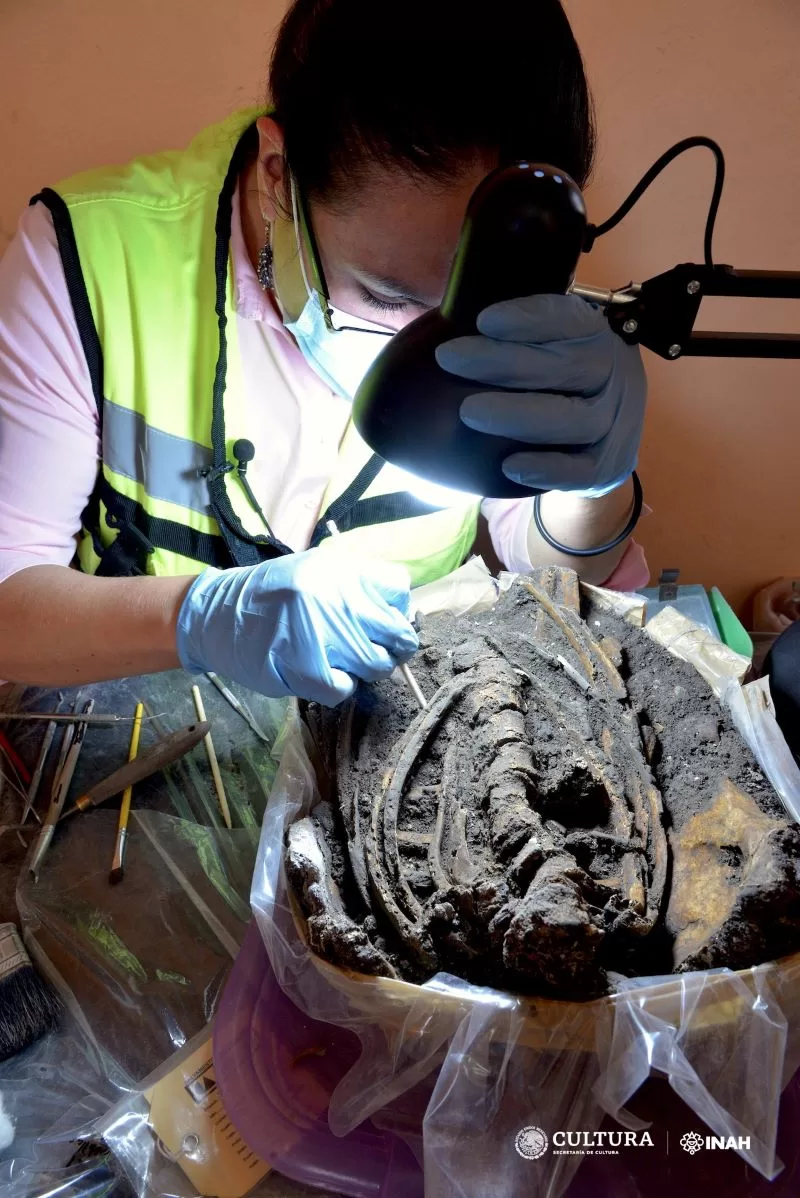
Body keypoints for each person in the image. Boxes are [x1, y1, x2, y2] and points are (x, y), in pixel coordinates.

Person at [0, 0, 648, 708]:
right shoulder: (88, 259)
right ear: (277, 172)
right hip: (138, 734)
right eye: (387, 297)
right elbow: (9, 604)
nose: (437, 349)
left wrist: (594, 482)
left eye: (472, 309)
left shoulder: (523, 278)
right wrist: (195, 618)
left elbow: (559, 574)